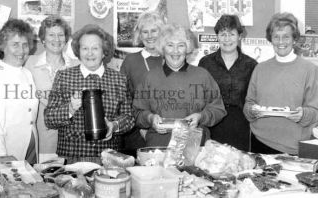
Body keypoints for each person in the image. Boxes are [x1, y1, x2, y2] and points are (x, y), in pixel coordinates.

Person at [44, 24, 134, 164]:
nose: (89, 53)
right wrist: (69, 109)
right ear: (78, 51)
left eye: (95, 48)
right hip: (72, 158)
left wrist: (114, 125)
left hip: (108, 158)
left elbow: (129, 118)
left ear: (104, 52)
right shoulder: (64, 76)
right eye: (84, 48)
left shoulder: (119, 79)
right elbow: (49, 119)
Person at [133, 24, 227, 147]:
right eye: (170, 45)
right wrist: (150, 118)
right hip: (159, 147)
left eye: (181, 45)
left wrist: (201, 116)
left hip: (194, 147)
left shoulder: (203, 75)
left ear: (187, 48)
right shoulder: (149, 77)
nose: (175, 51)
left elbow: (218, 109)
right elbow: (137, 113)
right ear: (162, 48)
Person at [243, 12, 318, 155]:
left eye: (286, 36)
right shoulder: (260, 68)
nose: (281, 41)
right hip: (260, 142)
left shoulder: (310, 70)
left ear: (294, 39)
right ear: (270, 39)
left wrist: (303, 115)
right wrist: (251, 111)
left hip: (293, 148)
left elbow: (315, 112)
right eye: (276, 36)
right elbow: (248, 104)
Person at [0, 19, 39, 164]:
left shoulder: (27, 73)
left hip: (29, 148)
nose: (21, 50)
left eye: (25, 45)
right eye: (15, 44)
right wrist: (4, 163)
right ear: (2, 46)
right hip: (5, 153)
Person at [198, 15, 257, 151]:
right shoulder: (205, 63)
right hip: (212, 122)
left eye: (231, 34)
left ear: (239, 36)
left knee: (238, 163)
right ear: (217, 36)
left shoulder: (251, 65)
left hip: (240, 123)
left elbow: (254, 98)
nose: (227, 39)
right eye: (223, 34)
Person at [24, 15, 75, 162]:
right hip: (42, 136)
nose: (56, 39)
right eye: (51, 35)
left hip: (70, 137)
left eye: (61, 35)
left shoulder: (76, 65)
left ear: (66, 39)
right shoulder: (29, 63)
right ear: (43, 39)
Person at [120, 11, 165, 156]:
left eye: (154, 31)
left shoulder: (173, 58)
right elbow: (123, 99)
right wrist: (141, 128)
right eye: (145, 31)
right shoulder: (131, 61)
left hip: (168, 131)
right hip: (137, 132)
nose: (150, 36)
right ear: (139, 35)